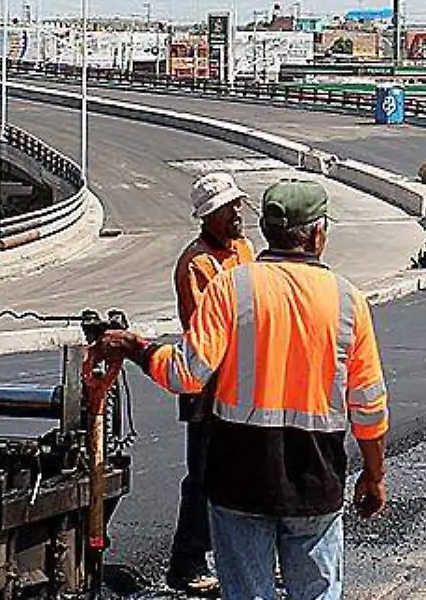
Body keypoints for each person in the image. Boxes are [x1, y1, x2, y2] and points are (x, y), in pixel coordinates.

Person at [98, 179, 389, 600]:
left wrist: (136, 347)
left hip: (239, 475)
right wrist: (375, 474)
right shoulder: (347, 300)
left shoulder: (230, 286)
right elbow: (368, 404)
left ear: (267, 229)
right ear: (318, 234)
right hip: (316, 476)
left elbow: (186, 374)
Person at [168, 172, 258, 596]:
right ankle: (187, 561)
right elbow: (207, 330)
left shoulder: (244, 250)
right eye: (228, 208)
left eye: (237, 205)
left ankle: (246, 556)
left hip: (244, 382)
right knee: (203, 476)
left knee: (245, 473)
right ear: (208, 216)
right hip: (207, 384)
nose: (236, 212)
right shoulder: (196, 264)